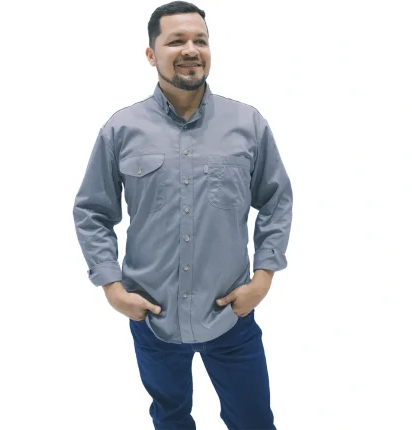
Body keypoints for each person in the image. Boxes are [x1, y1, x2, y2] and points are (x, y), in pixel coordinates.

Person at [72, 1, 293, 428]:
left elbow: (276, 199)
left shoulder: (247, 123)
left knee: (253, 420)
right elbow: (92, 210)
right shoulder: (121, 129)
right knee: (170, 419)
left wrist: (263, 278)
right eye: (176, 41)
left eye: (200, 40)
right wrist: (112, 287)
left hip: (231, 315)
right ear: (151, 54)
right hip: (152, 316)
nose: (191, 49)